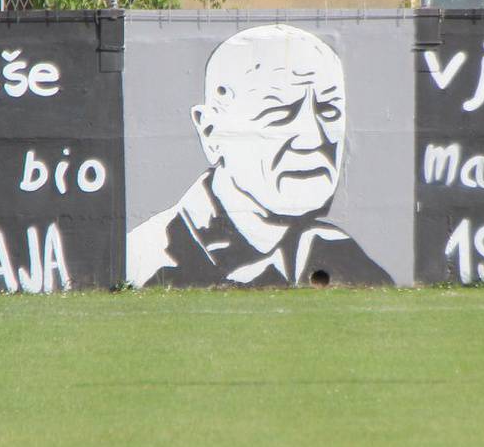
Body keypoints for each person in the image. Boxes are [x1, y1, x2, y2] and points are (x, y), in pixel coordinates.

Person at [127, 23, 392, 288]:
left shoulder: (345, 257)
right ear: (211, 132)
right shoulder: (149, 261)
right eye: (279, 114)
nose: (314, 139)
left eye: (329, 111)